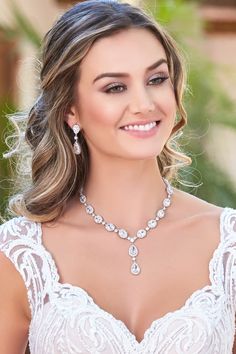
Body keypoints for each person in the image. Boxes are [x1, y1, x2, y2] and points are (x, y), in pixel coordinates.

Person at [0, 0, 235, 353]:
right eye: (115, 87)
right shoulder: (20, 254)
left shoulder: (228, 244)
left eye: (156, 79)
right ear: (70, 109)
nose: (144, 103)